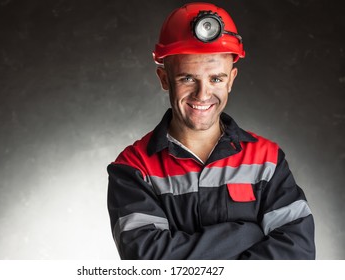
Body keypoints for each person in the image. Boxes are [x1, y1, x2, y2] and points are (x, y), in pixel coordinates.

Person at [107, 2, 315, 259]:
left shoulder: (267, 160)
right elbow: (150, 262)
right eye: (188, 78)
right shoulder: (134, 167)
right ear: (164, 79)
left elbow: (297, 255)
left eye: (216, 79)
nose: (202, 94)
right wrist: (246, 234)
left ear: (232, 80)